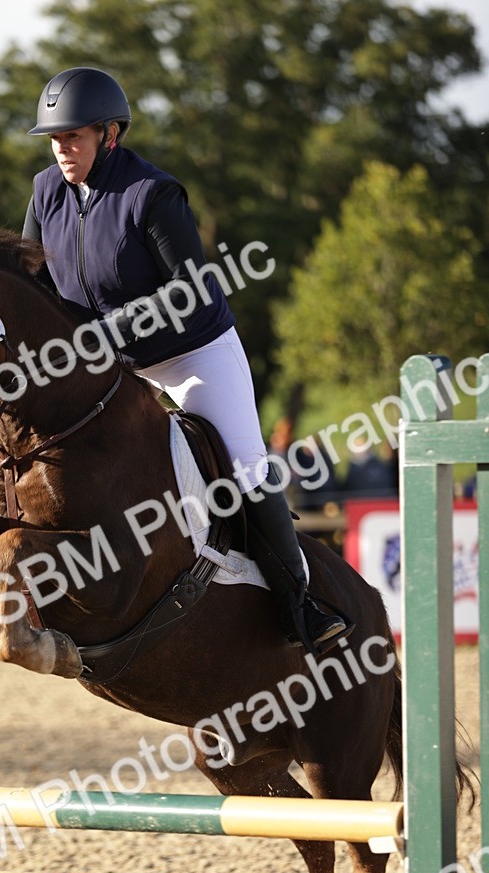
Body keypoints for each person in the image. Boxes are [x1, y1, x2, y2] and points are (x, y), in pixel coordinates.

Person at [23, 67, 348, 653]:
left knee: (245, 466)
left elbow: (191, 290)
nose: (62, 149)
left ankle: (301, 608)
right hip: (107, 363)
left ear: (110, 135)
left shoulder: (152, 194)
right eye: (55, 138)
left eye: (73, 137)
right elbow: (33, 283)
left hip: (189, 353)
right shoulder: (46, 191)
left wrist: (107, 330)